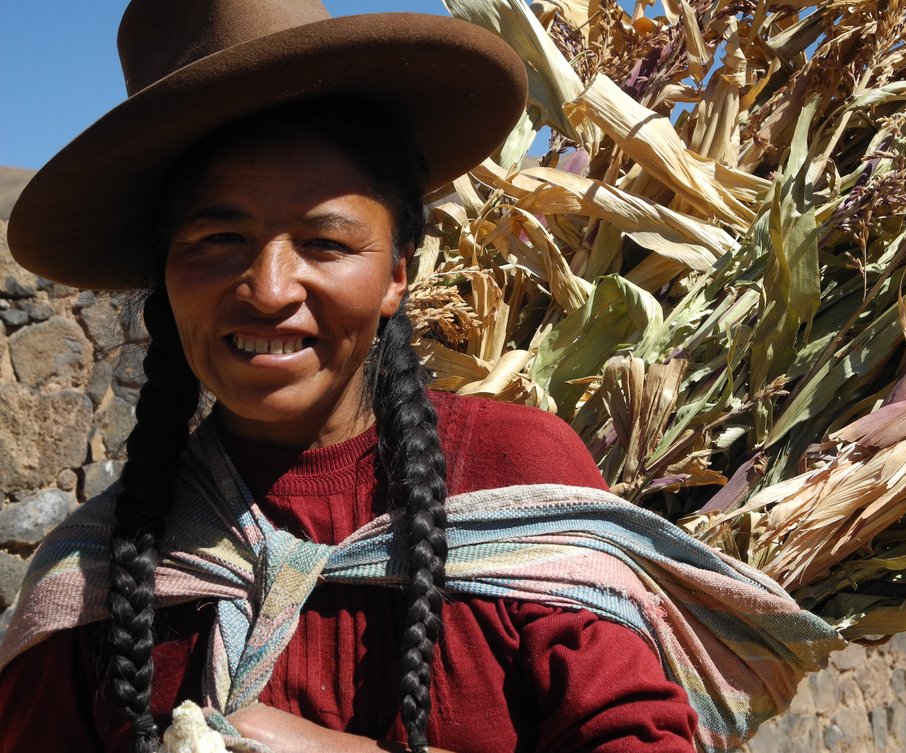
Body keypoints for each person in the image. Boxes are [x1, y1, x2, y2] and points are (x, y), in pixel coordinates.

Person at [1, 3, 846, 753]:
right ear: (165, 272)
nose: (267, 289)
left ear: (398, 271)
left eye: (326, 243)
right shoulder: (102, 575)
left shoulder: (513, 481)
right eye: (217, 240)